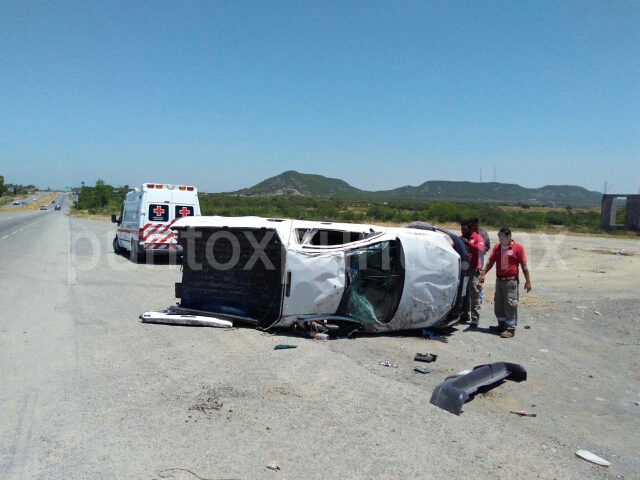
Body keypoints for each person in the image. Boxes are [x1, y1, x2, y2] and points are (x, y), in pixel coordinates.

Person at [479, 227, 532, 338]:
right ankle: (501, 325)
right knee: (499, 304)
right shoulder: (497, 247)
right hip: (499, 280)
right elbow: (490, 261)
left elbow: (524, 266)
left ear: (509, 238)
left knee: (510, 304)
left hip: (511, 282)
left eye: (502, 238)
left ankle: (510, 329)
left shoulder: (518, 248)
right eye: (499, 238)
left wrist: (528, 281)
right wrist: (483, 274)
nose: (500, 240)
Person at [459, 219, 484, 327]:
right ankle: (464, 314)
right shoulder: (460, 238)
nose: (463, 231)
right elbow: (452, 248)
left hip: (474, 270)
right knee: (463, 293)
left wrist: (469, 244)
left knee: (474, 293)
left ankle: (475, 318)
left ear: (470, 229)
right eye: (461, 229)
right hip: (463, 270)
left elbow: (481, 250)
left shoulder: (477, 238)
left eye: (465, 229)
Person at [471, 218, 490, 303]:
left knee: (478, 276)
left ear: (477, 226)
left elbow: (487, 246)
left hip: (480, 256)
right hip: (470, 257)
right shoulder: (468, 232)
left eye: (472, 226)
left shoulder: (483, 233)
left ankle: (479, 298)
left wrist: (482, 250)